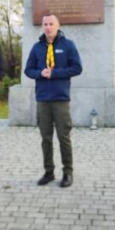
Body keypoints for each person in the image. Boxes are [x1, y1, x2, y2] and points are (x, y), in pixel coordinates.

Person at [24, 13, 82, 188]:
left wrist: (55, 73)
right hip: (43, 99)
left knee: (64, 137)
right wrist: (40, 73)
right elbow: (28, 70)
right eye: (45, 24)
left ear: (57, 26)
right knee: (45, 138)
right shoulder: (37, 48)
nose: (48, 27)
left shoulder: (68, 45)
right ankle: (48, 172)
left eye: (51, 24)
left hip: (60, 99)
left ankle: (68, 172)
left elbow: (77, 68)